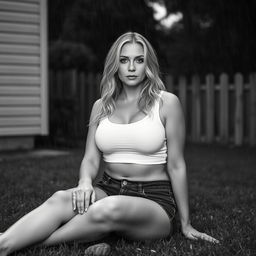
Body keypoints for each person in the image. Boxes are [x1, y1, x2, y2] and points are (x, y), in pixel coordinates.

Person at [0, 32, 219, 256]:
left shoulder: (166, 103)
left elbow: (176, 165)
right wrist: (85, 182)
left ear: (148, 64)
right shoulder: (101, 106)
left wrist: (186, 223)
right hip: (108, 188)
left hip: (154, 199)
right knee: (60, 199)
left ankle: (30, 244)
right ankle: (4, 243)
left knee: (106, 208)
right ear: (115, 64)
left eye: (139, 60)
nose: (131, 67)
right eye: (124, 60)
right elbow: (91, 158)